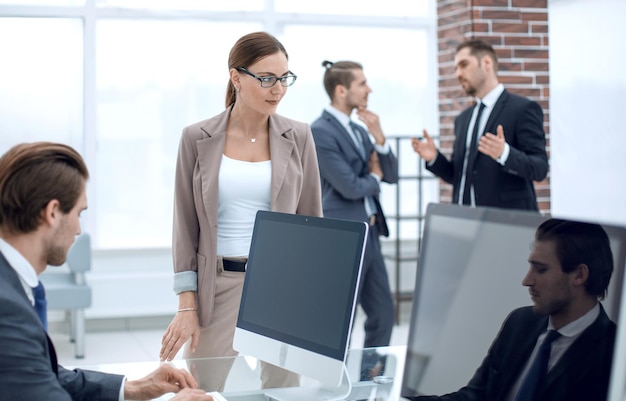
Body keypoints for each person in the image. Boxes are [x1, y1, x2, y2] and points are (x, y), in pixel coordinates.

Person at [159, 31, 323, 389]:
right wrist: (187, 305)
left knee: (283, 390)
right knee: (202, 387)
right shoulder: (196, 138)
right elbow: (184, 227)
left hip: (281, 284)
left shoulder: (299, 137)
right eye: (266, 78)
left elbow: (312, 222)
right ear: (236, 77)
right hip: (218, 285)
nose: (277, 89)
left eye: (284, 79)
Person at [0, 142, 212, 401]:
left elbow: (41, 375)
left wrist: (131, 388)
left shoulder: (12, 283)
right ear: (53, 212)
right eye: (79, 213)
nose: (79, 230)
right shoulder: (7, 309)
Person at [406, 218, 616, 401]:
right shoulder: (520, 322)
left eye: (541, 269)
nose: (527, 280)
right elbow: (477, 396)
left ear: (579, 275)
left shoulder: (613, 352)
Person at [310, 60, 398, 356]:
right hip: (344, 237)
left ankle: (369, 381)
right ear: (340, 90)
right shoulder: (320, 131)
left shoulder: (361, 131)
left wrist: (380, 138)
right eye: (362, 83)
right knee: (341, 321)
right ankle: (335, 387)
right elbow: (349, 187)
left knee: (384, 314)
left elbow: (393, 176)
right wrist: (374, 176)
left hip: (371, 233)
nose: (368, 89)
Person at [411, 39, 548, 211]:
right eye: (456, 68)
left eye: (464, 65)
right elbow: (459, 177)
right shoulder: (463, 119)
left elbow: (540, 168)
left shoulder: (522, 109)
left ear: (486, 63)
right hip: (466, 224)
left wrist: (504, 153)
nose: (458, 74)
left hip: (507, 225)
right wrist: (434, 158)